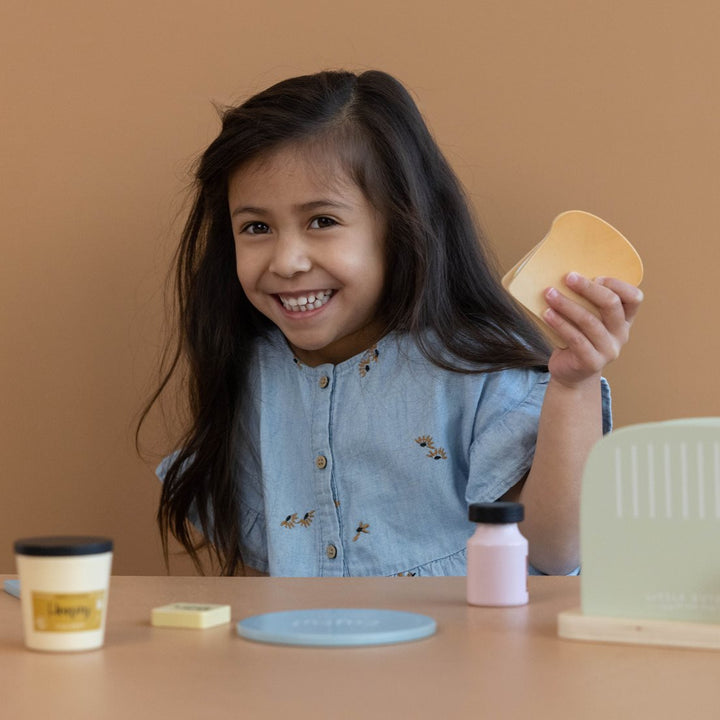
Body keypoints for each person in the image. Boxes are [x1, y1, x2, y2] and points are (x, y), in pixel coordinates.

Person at [141, 69, 643, 578]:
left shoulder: (472, 367)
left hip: (466, 656)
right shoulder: (254, 373)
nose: (287, 260)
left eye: (322, 221)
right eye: (256, 227)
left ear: (399, 226)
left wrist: (574, 384)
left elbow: (555, 553)